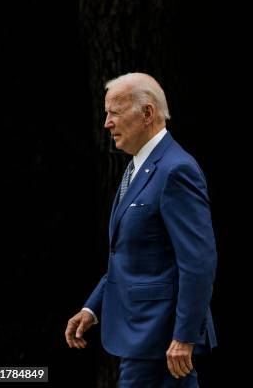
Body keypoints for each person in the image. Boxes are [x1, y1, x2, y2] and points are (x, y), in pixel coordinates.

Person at [64, 72, 218, 387]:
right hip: (146, 340)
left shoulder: (176, 170)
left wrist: (184, 337)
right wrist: (92, 308)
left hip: (162, 341)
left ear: (147, 113)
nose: (107, 122)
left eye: (115, 112)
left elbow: (198, 261)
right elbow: (131, 255)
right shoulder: (138, 167)